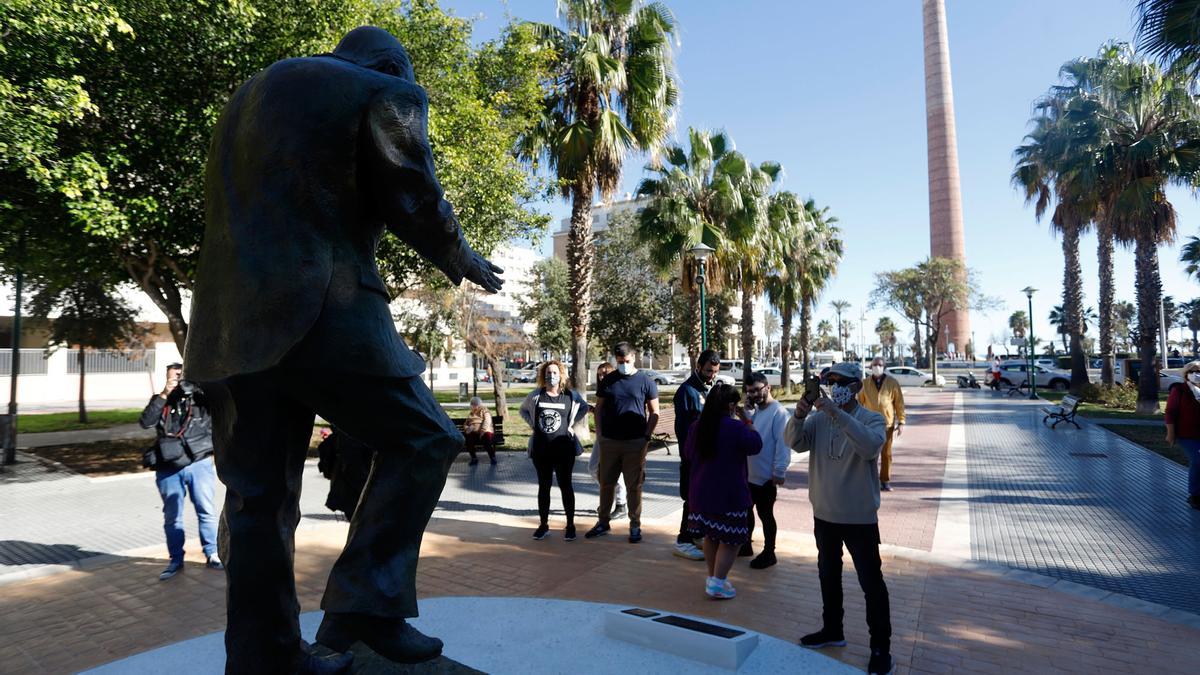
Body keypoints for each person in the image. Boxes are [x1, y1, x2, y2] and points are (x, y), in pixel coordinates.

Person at [186, 26, 506, 672]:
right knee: (426, 437)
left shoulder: (245, 102)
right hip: (321, 306)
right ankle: (365, 603)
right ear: (389, 64)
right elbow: (412, 191)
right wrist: (459, 254)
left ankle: (264, 657)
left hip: (228, 328)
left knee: (258, 499)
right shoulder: (381, 87)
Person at [785, 362, 893, 675]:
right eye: (830, 381)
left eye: (841, 381)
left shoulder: (871, 418)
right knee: (828, 576)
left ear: (857, 386)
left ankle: (880, 647)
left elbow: (871, 447)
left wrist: (835, 412)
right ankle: (832, 629)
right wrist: (800, 414)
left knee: (871, 583)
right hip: (824, 515)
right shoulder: (818, 420)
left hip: (859, 518)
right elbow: (794, 442)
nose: (835, 386)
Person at [138, 362, 220, 581]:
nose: (178, 380)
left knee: (206, 511)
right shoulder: (162, 400)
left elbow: (218, 409)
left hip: (198, 463)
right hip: (168, 467)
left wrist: (197, 385)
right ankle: (175, 559)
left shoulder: (200, 398)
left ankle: (213, 553)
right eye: (173, 377)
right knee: (172, 516)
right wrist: (165, 392)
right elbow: (146, 422)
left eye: (181, 375)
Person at [683, 383, 762, 599]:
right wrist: (747, 419)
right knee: (731, 540)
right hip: (729, 495)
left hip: (701, 493)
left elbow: (688, 455)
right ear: (730, 406)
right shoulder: (736, 428)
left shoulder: (697, 426)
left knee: (711, 535)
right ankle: (717, 583)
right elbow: (756, 445)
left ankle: (714, 578)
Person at [586, 342, 660, 543]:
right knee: (606, 484)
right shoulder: (609, 380)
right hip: (609, 442)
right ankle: (603, 522)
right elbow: (599, 409)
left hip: (635, 443)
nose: (623, 365)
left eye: (626, 361)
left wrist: (646, 437)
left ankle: (635, 525)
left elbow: (655, 412)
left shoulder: (646, 381)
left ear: (633, 357)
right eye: (619, 362)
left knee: (634, 486)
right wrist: (600, 434)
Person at [520, 361, 589, 540]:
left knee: (566, 486)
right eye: (549, 372)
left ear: (561, 375)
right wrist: (533, 425)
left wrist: (571, 424)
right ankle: (543, 525)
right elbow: (523, 411)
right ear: (544, 375)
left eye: (555, 372)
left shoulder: (570, 396)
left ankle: (570, 525)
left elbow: (584, 407)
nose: (552, 376)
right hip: (541, 450)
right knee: (544, 487)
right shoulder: (536, 395)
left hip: (564, 450)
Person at [671, 349, 722, 561]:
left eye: (715, 371)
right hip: (693, 458)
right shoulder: (687, 391)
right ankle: (683, 540)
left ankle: (697, 534)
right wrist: (690, 456)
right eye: (709, 370)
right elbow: (683, 430)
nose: (712, 375)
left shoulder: (709, 389)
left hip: (708, 456)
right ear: (699, 366)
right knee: (691, 499)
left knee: (701, 498)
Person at [743, 371, 792, 569]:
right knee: (747, 511)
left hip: (766, 477)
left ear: (768, 387)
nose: (754, 395)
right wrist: (746, 415)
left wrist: (779, 470)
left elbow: (783, 444)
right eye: (749, 392)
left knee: (766, 515)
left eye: (756, 390)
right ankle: (746, 544)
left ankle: (769, 552)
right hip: (750, 474)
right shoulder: (757, 412)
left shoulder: (779, 413)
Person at [858, 357, 906, 492]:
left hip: (887, 425)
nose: (877, 367)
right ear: (870, 367)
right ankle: (869, 481)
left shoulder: (892, 383)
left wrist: (901, 421)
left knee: (886, 454)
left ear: (884, 366)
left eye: (879, 365)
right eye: (874, 365)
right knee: (869, 454)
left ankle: (885, 481)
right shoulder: (865, 383)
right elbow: (859, 403)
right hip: (869, 425)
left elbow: (899, 403)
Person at [588, 362, 627, 520]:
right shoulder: (602, 391)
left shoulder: (618, 389)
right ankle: (608, 496)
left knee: (615, 472)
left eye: (605, 373)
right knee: (593, 468)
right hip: (602, 436)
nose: (602, 376)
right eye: (600, 374)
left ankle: (621, 504)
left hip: (615, 437)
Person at [1165, 360, 1200, 510]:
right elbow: (1170, 413)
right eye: (1192, 371)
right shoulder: (1180, 390)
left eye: (1199, 371)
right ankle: (1195, 495)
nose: (1196, 374)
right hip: (1187, 435)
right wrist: (1170, 434)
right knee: (1198, 459)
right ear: (1186, 374)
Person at [463, 397, 496, 466]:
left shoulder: (484, 410)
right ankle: (474, 458)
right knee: (468, 440)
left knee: (486, 438)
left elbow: (487, 421)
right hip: (474, 432)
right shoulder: (471, 413)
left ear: (477, 405)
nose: (471, 406)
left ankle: (492, 457)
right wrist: (467, 428)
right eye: (471, 404)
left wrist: (482, 430)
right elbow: (465, 423)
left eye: (472, 404)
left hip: (485, 431)